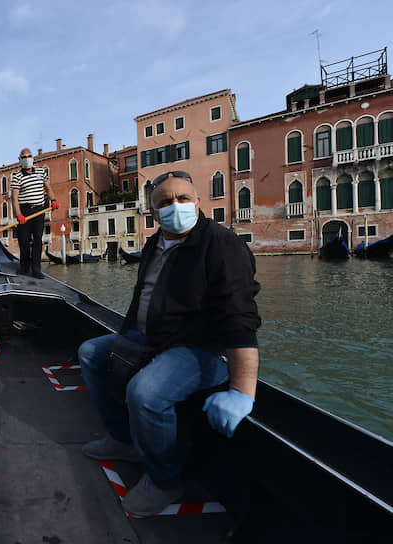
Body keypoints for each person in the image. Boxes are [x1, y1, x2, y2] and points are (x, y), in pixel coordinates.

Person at [78, 171, 261, 517]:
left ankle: (164, 481)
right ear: (153, 213)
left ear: (198, 202)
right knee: (91, 353)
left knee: (145, 393)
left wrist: (242, 391)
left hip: (203, 348)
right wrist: (130, 335)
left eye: (182, 199)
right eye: (165, 202)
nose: (175, 206)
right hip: (152, 338)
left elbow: (240, 317)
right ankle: (123, 439)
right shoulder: (155, 243)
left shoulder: (222, 244)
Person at [11, 148, 58, 278]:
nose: (27, 159)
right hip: (24, 210)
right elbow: (14, 198)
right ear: (20, 160)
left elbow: (48, 188)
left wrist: (53, 199)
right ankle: (24, 267)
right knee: (24, 241)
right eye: (24, 157)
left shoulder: (41, 172)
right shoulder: (16, 176)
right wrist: (18, 214)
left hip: (39, 210)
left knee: (38, 240)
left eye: (29, 156)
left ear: (33, 158)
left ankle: (36, 269)